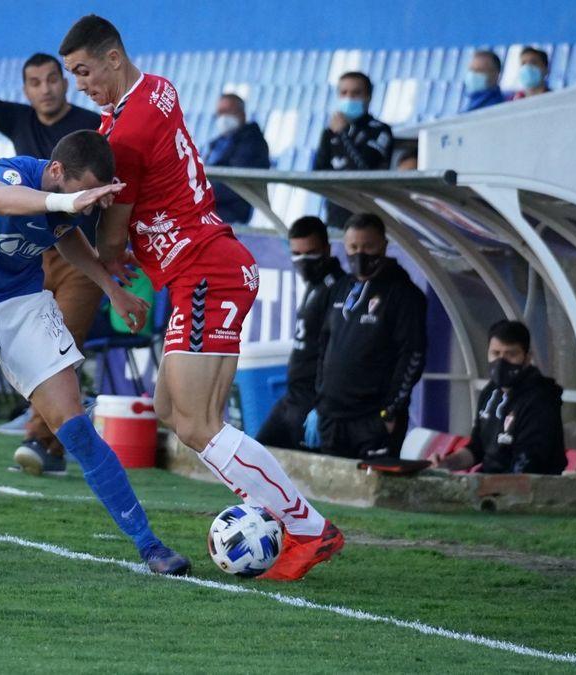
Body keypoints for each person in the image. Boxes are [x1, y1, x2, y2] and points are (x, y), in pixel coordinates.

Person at [60, 15, 342, 582]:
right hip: (204, 266)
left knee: (197, 422)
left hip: (205, 270)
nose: (81, 86)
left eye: (85, 71)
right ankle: (281, 515)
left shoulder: (128, 133)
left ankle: (307, 528)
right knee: (173, 412)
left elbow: (113, 236)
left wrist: (99, 254)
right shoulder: (156, 89)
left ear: (114, 58)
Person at [0, 130, 190, 576]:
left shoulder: (65, 204)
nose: (84, 204)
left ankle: (149, 545)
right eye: (78, 194)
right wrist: (67, 203)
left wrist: (113, 290)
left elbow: (66, 236)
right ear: (54, 172)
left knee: (75, 427)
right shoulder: (9, 174)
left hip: (21, 304)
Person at [0, 15, 105, 474]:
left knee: (62, 342)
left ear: (64, 81)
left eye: (53, 79)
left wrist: (113, 249)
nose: (46, 89)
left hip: (78, 253)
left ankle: (41, 442)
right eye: (35, 83)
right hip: (29, 257)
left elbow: (110, 188)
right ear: (27, 90)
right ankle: (52, 432)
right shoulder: (19, 119)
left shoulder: (92, 126)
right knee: (34, 350)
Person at [312, 213, 426, 460]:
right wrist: (320, 399)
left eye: (368, 246)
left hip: (373, 420)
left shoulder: (404, 294)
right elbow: (323, 345)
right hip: (332, 418)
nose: (360, 254)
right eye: (353, 247)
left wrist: (389, 413)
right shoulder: (340, 288)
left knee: (373, 495)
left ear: (384, 246)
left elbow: (413, 355)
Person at [255, 217, 348, 450]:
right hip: (292, 397)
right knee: (257, 455)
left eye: (311, 254)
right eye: (297, 254)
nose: (303, 262)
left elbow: (336, 352)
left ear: (327, 249)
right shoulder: (316, 285)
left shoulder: (338, 289)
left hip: (312, 401)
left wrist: (323, 406)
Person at [432, 321, 566, 475]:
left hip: (529, 492)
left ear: (527, 358)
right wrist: (446, 463)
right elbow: (477, 448)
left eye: (511, 354)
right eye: (495, 353)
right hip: (491, 484)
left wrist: (480, 488)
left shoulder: (541, 399)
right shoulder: (490, 392)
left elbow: (527, 466)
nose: (501, 361)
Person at [313, 71, 392, 229]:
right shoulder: (329, 132)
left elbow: (364, 168)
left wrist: (344, 133)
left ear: (368, 97)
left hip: (368, 217)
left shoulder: (380, 130)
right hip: (336, 214)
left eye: (356, 93)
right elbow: (318, 172)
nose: (349, 98)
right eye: (344, 93)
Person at [204, 93, 270, 225]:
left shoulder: (253, 142)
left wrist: (201, 193)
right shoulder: (217, 143)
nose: (222, 117)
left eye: (227, 111)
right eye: (219, 113)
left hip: (229, 212)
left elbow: (236, 183)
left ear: (242, 114)